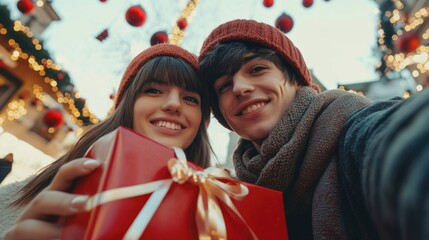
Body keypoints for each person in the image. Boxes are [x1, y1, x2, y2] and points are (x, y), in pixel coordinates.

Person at [198, 19, 429, 239]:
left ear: (296, 79)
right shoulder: (233, 196)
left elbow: (397, 146)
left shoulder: (351, 132)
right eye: (224, 85)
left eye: (257, 69)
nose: (239, 88)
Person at [1, 43, 213, 239]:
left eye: (191, 99)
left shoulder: (213, 219)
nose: (174, 104)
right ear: (126, 105)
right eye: (154, 90)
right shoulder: (17, 200)